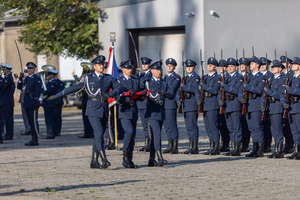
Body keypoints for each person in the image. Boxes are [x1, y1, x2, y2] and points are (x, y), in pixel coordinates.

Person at [48, 55, 124, 169]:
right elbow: (74, 87)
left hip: (103, 109)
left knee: (99, 135)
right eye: (99, 64)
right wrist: (57, 95)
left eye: (102, 64)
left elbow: (120, 88)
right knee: (98, 133)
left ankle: (94, 161)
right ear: (94, 66)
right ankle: (104, 159)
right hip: (92, 109)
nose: (101, 66)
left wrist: (111, 94)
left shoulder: (109, 78)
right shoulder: (88, 77)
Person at [142, 61, 175, 166]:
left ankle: (151, 159)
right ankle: (160, 157)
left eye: (160, 70)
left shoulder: (164, 83)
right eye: (156, 70)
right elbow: (143, 93)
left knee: (155, 135)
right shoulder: (147, 82)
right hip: (152, 111)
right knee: (157, 134)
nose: (159, 71)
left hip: (161, 111)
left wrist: (165, 93)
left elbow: (172, 94)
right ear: (152, 71)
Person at [116, 59, 143, 168]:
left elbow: (139, 94)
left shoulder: (135, 80)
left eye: (130, 68)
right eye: (127, 68)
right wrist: (128, 98)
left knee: (132, 136)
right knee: (129, 132)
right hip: (124, 110)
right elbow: (118, 97)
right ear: (123, 69)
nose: (129, 70)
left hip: (133, 110)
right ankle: (125, 159)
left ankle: (130, 159)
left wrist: (142, 94)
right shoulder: (118, 81)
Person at [239, 56, 266, 157]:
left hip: (256, 105)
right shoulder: (249, 77)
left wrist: (248, 86)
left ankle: (260, 149)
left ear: (257, 65)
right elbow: (242, 90)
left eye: (252, 64)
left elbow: (259, 90)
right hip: (249, 105)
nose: (250, 65)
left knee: (257, 128)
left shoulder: (261, 77)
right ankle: (255, 148)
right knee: (252, 128)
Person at [218, 58, 243, 156]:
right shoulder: (226, 77)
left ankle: (237, 148)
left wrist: (226, 87)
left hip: (235, 104)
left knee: (236, 127)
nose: (229, 68)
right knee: (230, 128)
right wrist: (219, 99)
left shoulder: (239, 77)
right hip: (227, 105)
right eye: (228, 66)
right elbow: (220, 91)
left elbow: (237, 90)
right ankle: (232, 147)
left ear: (236, 67)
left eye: (231, 66)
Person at [260, 60, 286, 158]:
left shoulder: (282, 79)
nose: (273, 68)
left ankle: (280, 150)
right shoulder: (270, 80)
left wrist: (269, 92)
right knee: (273, 129)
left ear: (280, 69)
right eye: (272, 67)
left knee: (277, 129)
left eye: (275, 67)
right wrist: (262, 104)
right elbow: (264, 93)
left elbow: (280, 94)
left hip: (277, 107)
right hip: (270, 107)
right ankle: (276, 149)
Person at [17, 62, 42, 146]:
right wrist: (20, 79)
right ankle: (32, 139)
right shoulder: (26, 79)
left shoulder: (37, 78)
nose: (30, 69)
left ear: (34, 69)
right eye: (28, 68)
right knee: (30, 122)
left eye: (31, 68)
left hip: (32, 101)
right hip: (26, 101)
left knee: (33, 121)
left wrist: (36, 99)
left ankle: (35, 139)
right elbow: (20, 88)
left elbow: (38, 90)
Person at [179, 59, 201, 154]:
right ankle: (190, 145)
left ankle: (195, 147)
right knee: (188, 126)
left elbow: (195, 89)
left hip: (192, 103)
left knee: (192, 126)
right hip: (186, 104)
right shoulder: (185, 78)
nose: (188, 68)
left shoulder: (196, 77)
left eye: (190, 67)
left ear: (194, 67)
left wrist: (184, 87)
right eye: (187, 67)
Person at [201, 57, 221, 155]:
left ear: (215, 67)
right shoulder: (205, 77)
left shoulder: (217, 78)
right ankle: (211, 146)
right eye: (209, 64)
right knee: (208, 128)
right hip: (205, 104)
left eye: (212, 65)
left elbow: (214, 90)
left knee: (213, 127)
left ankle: (216, 148)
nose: (209, 65)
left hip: (213, 105)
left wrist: (204, 86)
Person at [162, 58, 181, 154]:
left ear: (174, 67)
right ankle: (170, 145)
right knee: (167, 126)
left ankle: (175, 146)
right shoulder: (164, 77)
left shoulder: (176, 77)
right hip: (163, 104)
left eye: (171, 65)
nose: (169, 67)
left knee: (172, 125)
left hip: (170, 103)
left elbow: (171, 89)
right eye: (167, 65)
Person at [284, 57, 300, 160]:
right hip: (291, 107)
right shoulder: (292, 78)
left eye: (294, 64)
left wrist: (290, 89)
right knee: (294, 131)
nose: (292, 65)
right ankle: (297, 150)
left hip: (298, 107)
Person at [137, 57, 153, 152]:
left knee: (149, 124)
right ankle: (146, 142)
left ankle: (151, 143)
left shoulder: (151, 75)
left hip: (148, 102)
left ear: (149, 65)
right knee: (144, 124)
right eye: (143, 64)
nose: (144, 65)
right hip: (141, 103)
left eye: (146, 64)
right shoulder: (141, 75)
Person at [280, 55, 294, 153]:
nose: (282, 64)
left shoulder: (292, 74)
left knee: (290, 126)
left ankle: (291, 145)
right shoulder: (281, 75)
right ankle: (287, 144)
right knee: (284, 126)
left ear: (289, 64)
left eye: (284, 63)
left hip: (290, 102)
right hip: (282, 102)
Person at [260, 57, 274, 153]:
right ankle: (263, 144)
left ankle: (268, 145)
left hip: (269, 102)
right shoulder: (260, 76)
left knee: (268, 125)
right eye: (261, 65)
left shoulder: (271, 76)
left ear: (268, 66)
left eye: (264, 65)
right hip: (261, 102)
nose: (262, 66)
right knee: (262, 125)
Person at [41, 69, 59, 139]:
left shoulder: (53, 83)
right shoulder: (49, 82)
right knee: (47, 120)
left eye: (49, 75)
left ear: (53, 76)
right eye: (48, 74)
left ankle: (50, 134)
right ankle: (49, 133)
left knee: (49, 120)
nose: (47, 76)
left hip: (50, 103)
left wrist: (41, 89)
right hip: (47, 103)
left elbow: (48, 92)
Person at [238, 57, 251, 152]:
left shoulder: (249, 76)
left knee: (246, 126)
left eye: (243, 65)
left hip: (247, 103)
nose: (241, 66)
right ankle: (240, 143)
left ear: (247, 66)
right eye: (240, 65)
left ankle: (246, 145)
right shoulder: (238, 77)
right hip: (238, 104)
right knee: (239, 125)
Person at [218, 59, 230, 152]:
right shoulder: (218, 77)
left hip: (226, 104)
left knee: (226, 125)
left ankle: (227, 144)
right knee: (221, 125)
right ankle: (223, 143)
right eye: (220, 67)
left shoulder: (228, 77)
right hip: (218, 104)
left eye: (223, 67)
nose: (221, 68)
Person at [1, 64, 15, 141]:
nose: (3, 71)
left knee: (8, 119)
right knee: (7, 119)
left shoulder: (8, 78)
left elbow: (3, 86)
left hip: (7, 101)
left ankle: (9, 135)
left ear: (7, 70)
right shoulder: (7, 77)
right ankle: (8, 134)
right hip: (6, 101)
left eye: (4, 70)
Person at [53, 72, 65, 137]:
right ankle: (52, 131)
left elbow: (60, 91)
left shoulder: (60, 82)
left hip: (58, 102)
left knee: (57, 118)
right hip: (51, 102)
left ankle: (57, 131)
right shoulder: (49, 82)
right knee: (52, 118)